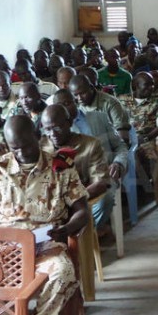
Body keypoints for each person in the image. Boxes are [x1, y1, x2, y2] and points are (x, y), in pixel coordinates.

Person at [0, 114, 89, 315]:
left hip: (46, 247)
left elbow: (81, 210)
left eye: (26, 146)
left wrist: (68, 228)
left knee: (63, 274)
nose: (21, 153)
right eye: (15, 148)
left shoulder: (60, 168)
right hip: (4, 249)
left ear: (37, 137)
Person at [53, 89, 128, 231]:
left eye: (68, 103)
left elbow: (120, 146)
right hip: (73, 181)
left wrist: (118, 163)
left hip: (103, 173)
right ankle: (83, 235)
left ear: (75, 102)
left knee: (104, 199)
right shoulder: (54, 131)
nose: (65, 108)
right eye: (60, 106)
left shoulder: (99, 118)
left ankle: (87, 234)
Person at [40, 104, 111, 224]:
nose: (53, 134)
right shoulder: (40, 145)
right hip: (48, 202)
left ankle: (88, 234)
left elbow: (100, 182)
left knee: (105, 201)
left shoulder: (90, 145)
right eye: (48, 129)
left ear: (69, 123)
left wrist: (72, 200)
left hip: (82, 196)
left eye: (57, 128)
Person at [120, 72, 158, 205]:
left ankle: (154, 186)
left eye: (152, 84)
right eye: (147, 85)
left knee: (153, 156)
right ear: (135, 86)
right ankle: (131, 190)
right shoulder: (121, 100)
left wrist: (145, 138)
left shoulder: (157, 100)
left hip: (147, 138)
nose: (151, 87)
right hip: (124, 139)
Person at [68, 74, 131, 143]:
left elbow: (123, 137)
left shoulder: (110, 104)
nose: (79, 98)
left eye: (83, 93)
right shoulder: (76, 107)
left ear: (91, 88)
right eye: (76, 95)